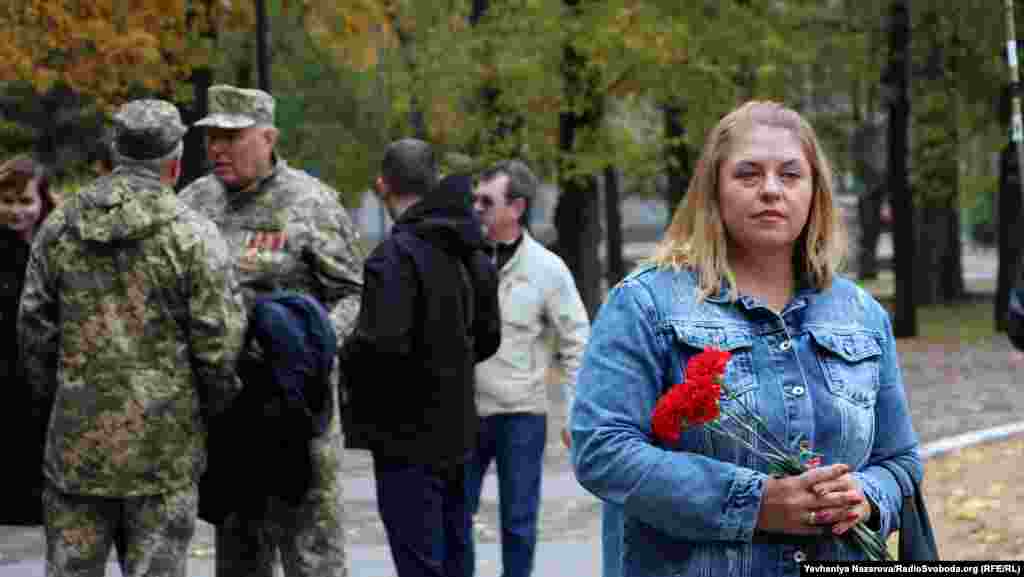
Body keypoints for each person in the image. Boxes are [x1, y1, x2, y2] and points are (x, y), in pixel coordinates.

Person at [569, 100, 922, 576]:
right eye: (749, 174)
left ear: (814, 193)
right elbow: (601, 448)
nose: (771, 190)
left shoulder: (860, 315)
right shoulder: (646, 303)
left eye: (791, 175)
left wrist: (866, 499)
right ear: (713, 190)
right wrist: (754, 503)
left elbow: (898, 461)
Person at [17, 99, 247, 576]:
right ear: (176, 161)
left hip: (77, 444)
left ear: (115, 151)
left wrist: (59, 402)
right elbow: (219, 345)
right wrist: (209, 410)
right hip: (165, 449)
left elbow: (34, 331)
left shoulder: (60, 227)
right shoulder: (194, 235)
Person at [180, 84, 364, 577]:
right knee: (240, 551)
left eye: (232, 137)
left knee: (311, 552)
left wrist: (315, 343)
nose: (218, 149)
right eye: (211, 137)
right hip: (231, 410)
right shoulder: (193, 203)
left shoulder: (312, 202)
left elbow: (352, 293)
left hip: (297, 407)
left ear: (268, 138)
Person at [340, 139, 501, 577]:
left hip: (404, 437)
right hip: (458, 426)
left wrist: (349, 354)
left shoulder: (393, 257)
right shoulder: (470, 248)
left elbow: (381, 346)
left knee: (417, 559)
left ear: (382, 186)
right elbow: (488, 338)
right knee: (456, 549)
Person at [466, 159, 590, 577]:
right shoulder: (462, 259)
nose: (477, 207)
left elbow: (577, 342)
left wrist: (576, 411)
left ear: (516, 207)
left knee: (519, 524)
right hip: (463, 414)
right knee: (453, 518)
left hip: (521, 415)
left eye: (487, 200)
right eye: (474, 199)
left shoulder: (547, 269)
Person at [0, 154, 56, 527]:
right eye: (7, 201)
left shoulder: (53, 247)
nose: (16, 211)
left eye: (25, 201)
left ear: (42, 202)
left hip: (39, 366)